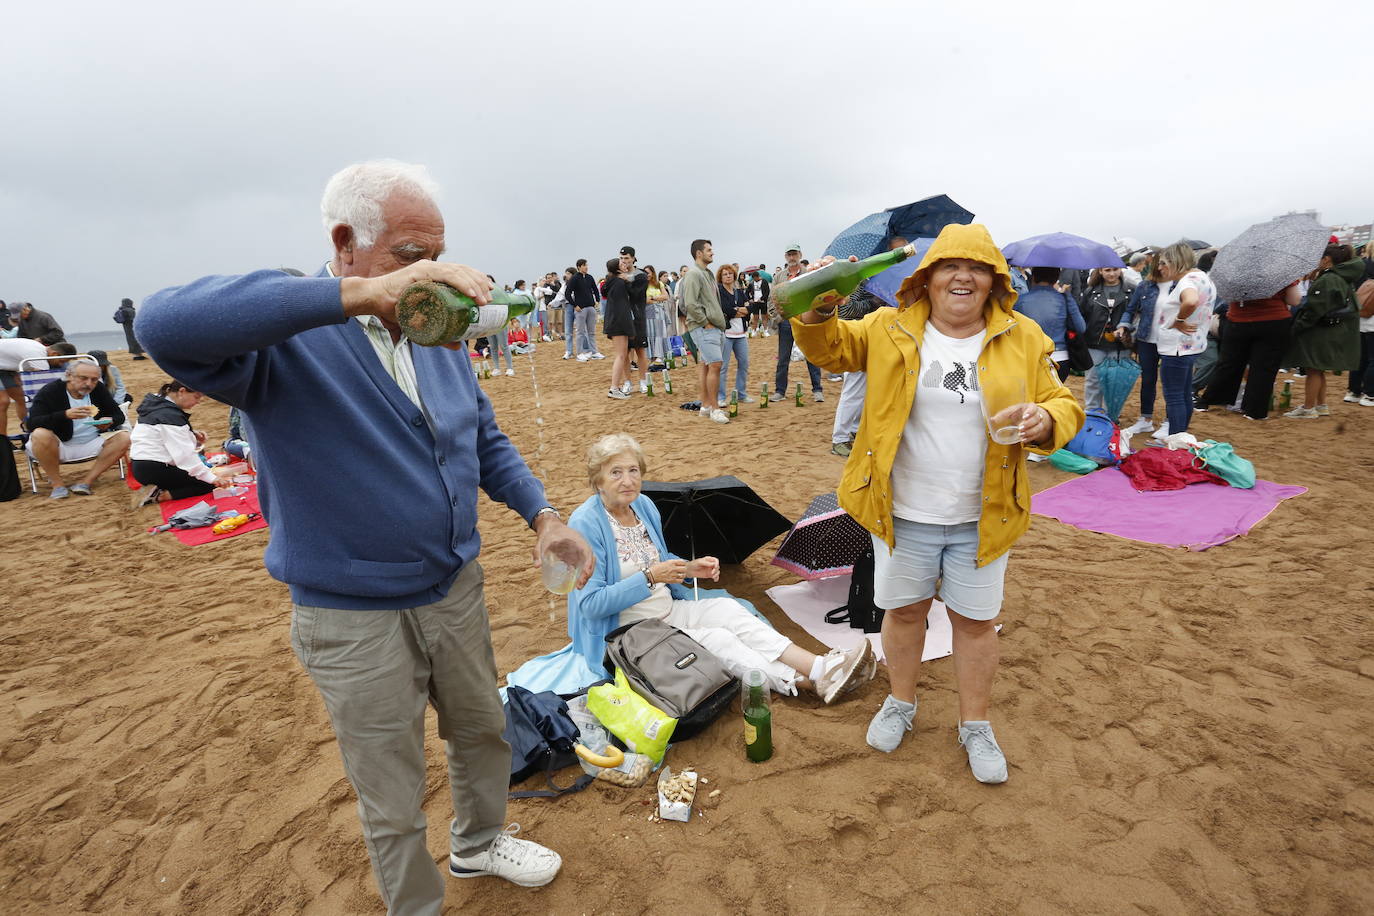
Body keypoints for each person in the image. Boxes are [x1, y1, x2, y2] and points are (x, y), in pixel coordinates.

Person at [138, 160, 593, 913]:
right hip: (351, 615)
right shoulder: (283, 344)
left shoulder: (435, 336)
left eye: (435, 255)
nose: (427, 277)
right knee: (391, 787)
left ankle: (479, 844)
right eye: (408, 258)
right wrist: (357, 296)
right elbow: (163, 323)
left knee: (483, 734)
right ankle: (416, 905)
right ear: (346, 244)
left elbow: (481, 437)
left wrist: (541, 515)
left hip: (453, 587)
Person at [792, 223, 1084, 784]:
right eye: (950, 266)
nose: (962, 277)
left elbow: (1062, 400)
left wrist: (1046, 419)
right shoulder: (887, 328)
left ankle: (975, 723)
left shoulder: (1023, 337)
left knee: (976, 623)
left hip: (984, 514)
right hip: (901, 511)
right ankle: (901, 702)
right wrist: (816, 309)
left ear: (995, 281)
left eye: (977, 268)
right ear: (926, 278)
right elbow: (830, 350)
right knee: (903, 613)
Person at [567, 433, 876, 700]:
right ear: (598, 481)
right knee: (719, 640)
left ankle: (820, 667)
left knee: (728, 612)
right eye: (616, 472)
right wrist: (651, 578)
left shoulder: (643, 505)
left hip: (666, 610)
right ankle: (804, 683)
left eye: (634, 470)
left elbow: (655, 559)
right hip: (631, 633)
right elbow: (592, 605)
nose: (628, 480)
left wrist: (689, 568)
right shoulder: (586, 523)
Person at [24, 358, 131, 499]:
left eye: (94, 379)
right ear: (69, 376)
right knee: (39, 434)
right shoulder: (51, 391)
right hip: (59, 445)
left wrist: (109, 421)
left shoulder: (98, 389)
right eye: (83, 378)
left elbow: (118, 415)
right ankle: (57, 485)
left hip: (92, 441)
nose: (89, 384)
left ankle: (86, 482)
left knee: (124, 437)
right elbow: (31, 423)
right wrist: (64, 415)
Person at [1196, 280, 1300, 420]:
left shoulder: (1237, 271)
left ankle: (1208, 401)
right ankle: (1255, 411)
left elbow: (1226, 296)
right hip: (1273, 321)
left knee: (1229, 363)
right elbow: (1294, 300)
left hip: (1238, 320)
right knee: (1264, 368)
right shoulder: (1281, 270)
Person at [1283, 243, 1363, 418]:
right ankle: (1321, 405)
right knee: (1318, 369)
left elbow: (1315, 310)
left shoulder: (1328, 279)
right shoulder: (1342, 277)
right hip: (1332, 329)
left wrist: (1298, 326)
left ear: (1326, 260)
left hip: (1320, 331)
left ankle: (1308, 408)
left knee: (1313, 369)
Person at [128, 380, 235, 501]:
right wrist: (212, 478)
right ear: (182, 392)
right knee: (207, 484)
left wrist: (191, 435)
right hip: (155, 468)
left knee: (202, 477)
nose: (197, 402)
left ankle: (160, 489)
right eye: (196, 397)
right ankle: (161, 495)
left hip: (140, 465)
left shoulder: (157, 404)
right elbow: (185, 456)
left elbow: (158, 434)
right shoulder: (169, 415)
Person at [1149, 241, 1216, 435]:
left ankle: (1176, 440)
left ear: (1176, 262)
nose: (1160, 268)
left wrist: (1178, 319)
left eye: (1163, 263)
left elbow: (1191, 301)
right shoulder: (1202, 277)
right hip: (1191, 345)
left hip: (1177, 347)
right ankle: (1181, 436)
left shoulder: (1187, 281)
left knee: (1174, 396)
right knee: (1184, 393)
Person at [680, 239, 730, 423]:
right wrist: (705, 322)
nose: (712, 252)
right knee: (716, 365)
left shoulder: (707, 274)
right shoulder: (693, 274)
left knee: (707, 365)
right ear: (699, 253)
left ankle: (706, 406)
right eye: (709, 250)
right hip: (704, 327)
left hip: (713, 325)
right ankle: (715, 409)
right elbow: (690, 303)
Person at [1116, 252, 1164, 436]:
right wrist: (1123, 325)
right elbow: (1130, 310)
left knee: (1169, 382)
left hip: (1171, 341)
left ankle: (1169, 422)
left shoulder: (1180, 286)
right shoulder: (1145, 286)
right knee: (1148, 380)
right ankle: (1146, 419)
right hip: (1146, 339)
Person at [768, 244, 824, 401]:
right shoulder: (779, 277)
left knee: (811, 355)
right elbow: (771, 299)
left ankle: (817, 390)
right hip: (786, 321)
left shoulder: (808, 273)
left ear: (800, 254)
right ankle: (780, 391)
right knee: (783, 358)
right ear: (786, 257)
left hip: (806, 321)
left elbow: (817, 295)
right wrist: (777, 317)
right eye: (789, 255)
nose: (792, 257)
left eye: (794, 254)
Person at [1076, 266, 1136, 411]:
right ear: (1100, 271)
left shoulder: (1131, 290)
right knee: (1093, 381)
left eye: (1115, 269)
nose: (1112, 273)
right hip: (1095, 343)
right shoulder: (1090, 291)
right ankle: (1092, 413)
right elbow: (1082, 315)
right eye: (1107, 270)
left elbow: (1137, 316)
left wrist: (1129, 332)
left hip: (1120, 345)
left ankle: (1112, 416)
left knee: (1116, 382)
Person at [1013, 267, 1086, 380]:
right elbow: (1081, 328)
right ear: (1056, 278)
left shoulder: (1020, 300)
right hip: (1059, 358)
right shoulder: (1064, 299)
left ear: (1034, 276)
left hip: (1029, 357)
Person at [0, 336, 58, 439]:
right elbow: (42, 381)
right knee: (3, 402)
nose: (60, 365)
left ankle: (30, 428)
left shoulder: (38, 349)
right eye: (61, 361)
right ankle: (3, 442)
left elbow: (11, 354)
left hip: (5, 368)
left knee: (22, 398)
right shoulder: (38, 355)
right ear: (54, 354)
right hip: (4, 367)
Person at [717, 263, 751, 407]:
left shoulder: (739, 291)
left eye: (730, 273)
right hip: (726, 333)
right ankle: (720, 397)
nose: (728, 276)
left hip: (740, 334)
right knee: (723, 367)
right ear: (720, 277)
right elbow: (726, 310)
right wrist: (739, 310)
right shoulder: (719, 291)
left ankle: (741, 393)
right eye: (725, 274)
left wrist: (738, 310)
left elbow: (749, 309)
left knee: (743, 364)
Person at [1346, 242, 1374, 406]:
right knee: (1373, 358)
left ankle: (1354, 391)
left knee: (1360, 357)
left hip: (1360, 316)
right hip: (1372, 320)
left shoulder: (1361, 265)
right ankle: (1370, 394)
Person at [567, 259, 604, 362]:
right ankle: (580, 353)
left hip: (591, 308)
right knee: (580, 332)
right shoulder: (574, 278)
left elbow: (596, 290)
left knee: (591, 332)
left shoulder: (589, 277)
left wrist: (597, 300)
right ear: (579, 267)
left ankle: (594, 352)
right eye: (584, 265)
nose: (586, 267)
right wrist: (575, 305)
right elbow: (567, 293)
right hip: (580, 309)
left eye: (586, 265)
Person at [86, 350, 131, 415]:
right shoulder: (86, 373)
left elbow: (120, 387)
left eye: (102, 365)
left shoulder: (113, 369)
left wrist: (116, 402)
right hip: (97, 400)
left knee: (127, 397)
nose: (100, 367)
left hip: (112, 397)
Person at [644, 267, 671, 368]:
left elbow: (665, 296)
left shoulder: (658, 284)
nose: (647, 274)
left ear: (652, 273)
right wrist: (656, 299)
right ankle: (652, 358)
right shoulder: (643, 285)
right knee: (651, 335)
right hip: (648, 312)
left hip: (659, 312)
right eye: (645, 272)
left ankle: (660, 357)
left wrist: (653, 298)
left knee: (660, 334)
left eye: (648, 272)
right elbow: (644, 300)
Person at [746, 269, 771, 336]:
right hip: (755, 302)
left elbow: (767, 291)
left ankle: (765, 330)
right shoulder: (751, 283)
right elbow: (747, 292)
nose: (755, 279)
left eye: (756, 277)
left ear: (758, 276)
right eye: (754, 278)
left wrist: (762, 298)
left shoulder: (764, 282)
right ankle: (754, 330)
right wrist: (749, 299)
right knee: (755, 317)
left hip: (763, 302)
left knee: (764, 316)